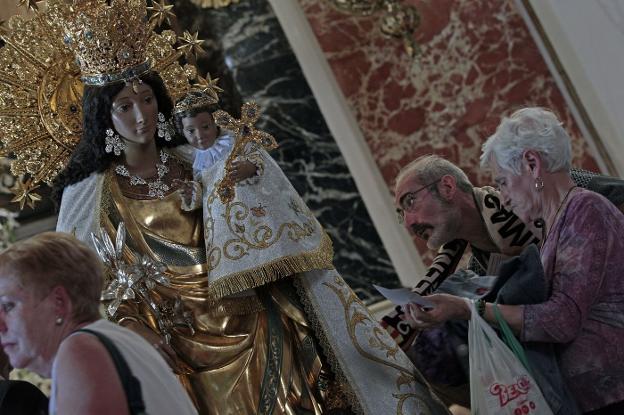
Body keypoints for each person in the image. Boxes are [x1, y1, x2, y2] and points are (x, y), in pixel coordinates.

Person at [50, 1, 449, 414]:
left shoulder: (200, 158)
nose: (141, 116)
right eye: (124, 107)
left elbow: (263, 214)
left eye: (147, 100)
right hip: (182, 343)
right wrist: (134, 329)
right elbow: (93, 283)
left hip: (258, 314)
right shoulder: (93, 195)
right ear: (104, 116)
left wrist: (251, 181)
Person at [406, 107, 624, 414]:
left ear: (532, 165)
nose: (503, 196)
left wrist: (469, 309)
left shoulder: (584, 208)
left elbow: (561, 320)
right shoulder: (553, 225)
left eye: (504, 181)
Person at [0, 232, 197, 415]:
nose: (0, 325)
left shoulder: (81, 351)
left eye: (8, 306)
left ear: (58, 303)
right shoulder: (116, 340)